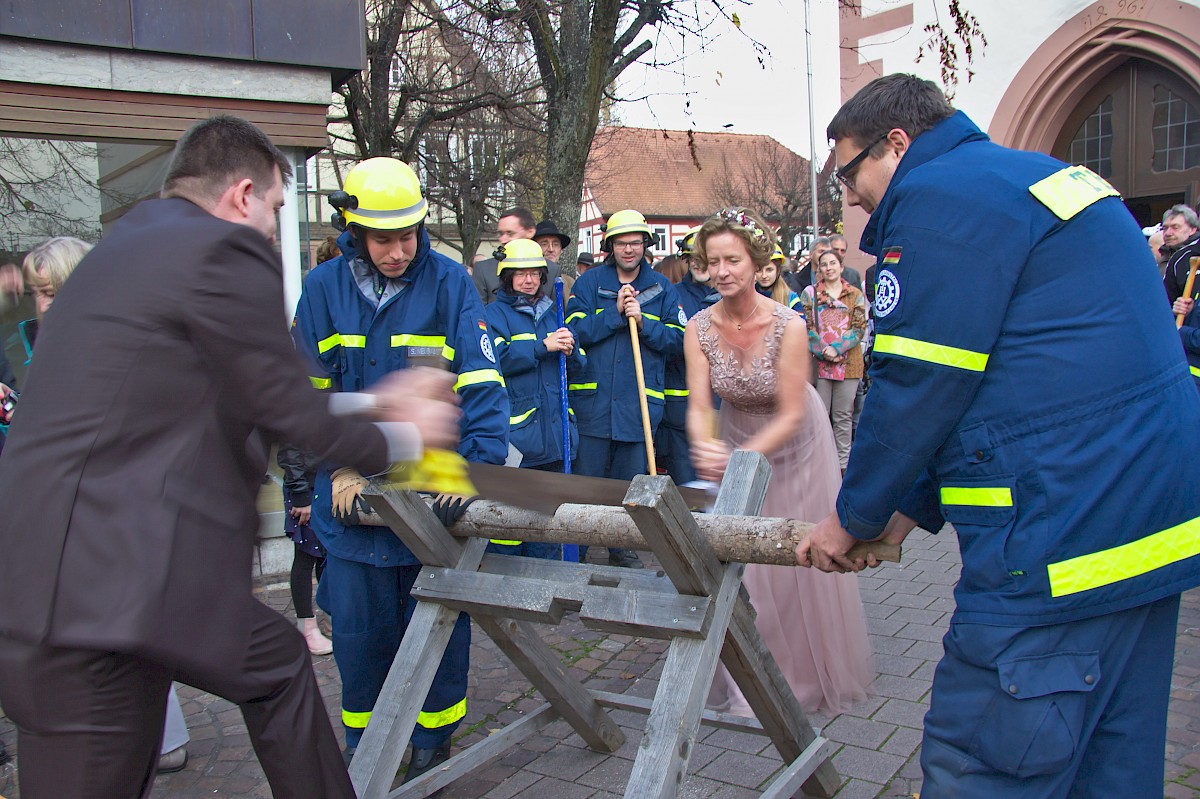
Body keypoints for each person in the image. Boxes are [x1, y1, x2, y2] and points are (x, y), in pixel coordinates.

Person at [0, 115, 461, 799]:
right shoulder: (219, 248)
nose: (274, 229)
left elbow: (233, 399)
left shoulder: (129, 247)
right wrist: (405, 433)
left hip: (98, 584)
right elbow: (284, 401)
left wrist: (371, 409)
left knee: (268, 668)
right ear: (243, 194)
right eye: (278, 207)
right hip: (102, 592)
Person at [799, 73, 1200, 799]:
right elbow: (990, 369)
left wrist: (848, 518)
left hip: (1055, 534)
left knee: (985, 762)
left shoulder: (938, 198)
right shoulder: (1037, 179)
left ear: (898, 143)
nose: (851, 198)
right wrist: (910, 507)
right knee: (1110, 765)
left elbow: (919, 384)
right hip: (1147, 529)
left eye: (850, 173)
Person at [292, 156, 508, 777]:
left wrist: (476, 473)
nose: (399, 249)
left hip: (434, 486)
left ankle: (432, 740)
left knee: (437, 623)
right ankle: (365, 742)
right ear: (353, 229)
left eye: (409, 234)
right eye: (384, 237)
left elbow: (481, 381)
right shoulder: (323, 290)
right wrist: (337, 465)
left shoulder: (449, 282)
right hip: (353, 499)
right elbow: (309, 396)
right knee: (360, 635)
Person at [685, 207, 871, 715]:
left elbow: (790, 413)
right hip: (738, 431)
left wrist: (741, 459)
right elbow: (700, 405)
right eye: (712, 261)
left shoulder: (788, 324)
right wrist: (705, 443)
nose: (722, 271)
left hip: (796, 446)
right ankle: (754, 677)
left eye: (733, 260)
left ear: (756, 261)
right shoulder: (698, 328)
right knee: (747, 568)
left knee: (794, 556)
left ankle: (805, 677)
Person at [566, 209, 686, 568]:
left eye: (635, 242)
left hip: (639, 408)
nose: (629, 249)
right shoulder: (589, 285)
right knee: (586, 484)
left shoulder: (663, 289)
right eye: (622, 242)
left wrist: (643, 321)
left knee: (630, 484)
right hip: (594, 403)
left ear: (646, 245)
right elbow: (573, 331)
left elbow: (679, 341)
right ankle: (579, 546)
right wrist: (614, 316)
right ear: (610, 245)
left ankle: (623, 546)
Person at [485, 239, 582, 558]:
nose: (529, 280)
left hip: (557, 440)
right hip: (519, 446)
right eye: (520, 273)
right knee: (512, 530)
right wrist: (543, 347)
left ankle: (550, 598)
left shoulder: (555, 311)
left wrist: (571, 350)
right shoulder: (492, 314)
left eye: (534, 273)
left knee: (551, 531)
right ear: (506, 277)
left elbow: (580, 365)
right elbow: (496, 360)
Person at [800, 249, 867, 473]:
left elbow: (859, 327)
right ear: (818, 268)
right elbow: (805, 326)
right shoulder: (810, 294)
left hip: (849, 364)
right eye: (824, 264)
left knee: (843, 416)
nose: (828, 268)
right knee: (819, 415)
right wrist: (824, 350)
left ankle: (842, 467)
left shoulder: (855, 294)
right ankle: (819, 465)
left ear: (841, 266)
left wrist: (837, 348)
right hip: (821, 363)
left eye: (832, 263)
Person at [277, 443, 333, 655]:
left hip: (324, 480)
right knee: (305, 556)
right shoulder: (296, 409)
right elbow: (289, 447)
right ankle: (306, 628)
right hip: (305, 486)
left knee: (324, 554)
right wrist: (300, 493)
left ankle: (330, 616)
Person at [474, 207, 560, 305]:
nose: (503, 239)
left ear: (530, 232)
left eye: (510, 233)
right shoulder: (483, 270)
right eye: (501, 233)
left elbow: (554, 315)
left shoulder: (552, 270)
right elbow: (478, 315)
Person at [1161, 204, 1200, 305]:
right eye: (1164, 228)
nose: (1168, 233)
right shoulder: (1172, 259)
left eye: (1175, 227)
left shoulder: (1186, 256)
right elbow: (1166, 302)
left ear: (1193, 229)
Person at [756, 244, 803, 312]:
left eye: (769, 270)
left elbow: (801, 322)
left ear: (778, 271)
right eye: (759, 270)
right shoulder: (745, 297)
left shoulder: (791, 298)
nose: (764, 275)